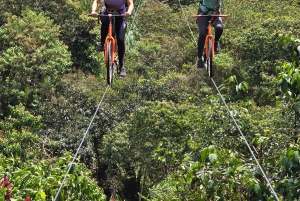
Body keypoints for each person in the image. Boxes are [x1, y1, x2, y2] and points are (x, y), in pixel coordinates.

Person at [90, 0, 134, 76]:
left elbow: (130, 3)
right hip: (107, 11)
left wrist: (129, 12)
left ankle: (121, 66)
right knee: (104, 20)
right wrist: (93, 11)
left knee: (120, 40)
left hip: (121, 14)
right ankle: (102, 43)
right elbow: (96, 1)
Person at [196, 0, 223, 68]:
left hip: (215, 14)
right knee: (202, 34)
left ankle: (216, 42)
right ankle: (199, 59)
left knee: (219, 28)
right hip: (203, 13)